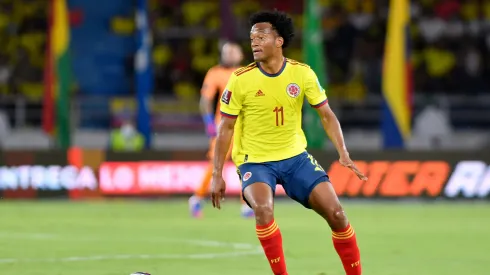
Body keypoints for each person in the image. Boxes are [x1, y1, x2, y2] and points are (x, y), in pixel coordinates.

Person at [210, 10, 368, 275]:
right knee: (263, 209)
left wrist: (343, 152)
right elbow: (225, 127)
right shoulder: (240, 79)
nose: (254, 43)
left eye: (261, 37)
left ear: (279, 41)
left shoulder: (302, 74)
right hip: (256, 161)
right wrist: (217, 173)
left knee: (338, 215)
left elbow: (327, 115)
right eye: (252, 38)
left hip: (296, 158)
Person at [188, 41, 254, 218]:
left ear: (240, 55)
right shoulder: (215, 73)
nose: (230, 55)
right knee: (217, 164)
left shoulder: (246, 73)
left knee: (246, 163)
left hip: (244, 127)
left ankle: (246, 204)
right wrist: (209, 122)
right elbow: (205, 100)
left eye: (233, 52)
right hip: (223, 125)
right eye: (227, 52)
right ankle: (197, 198)